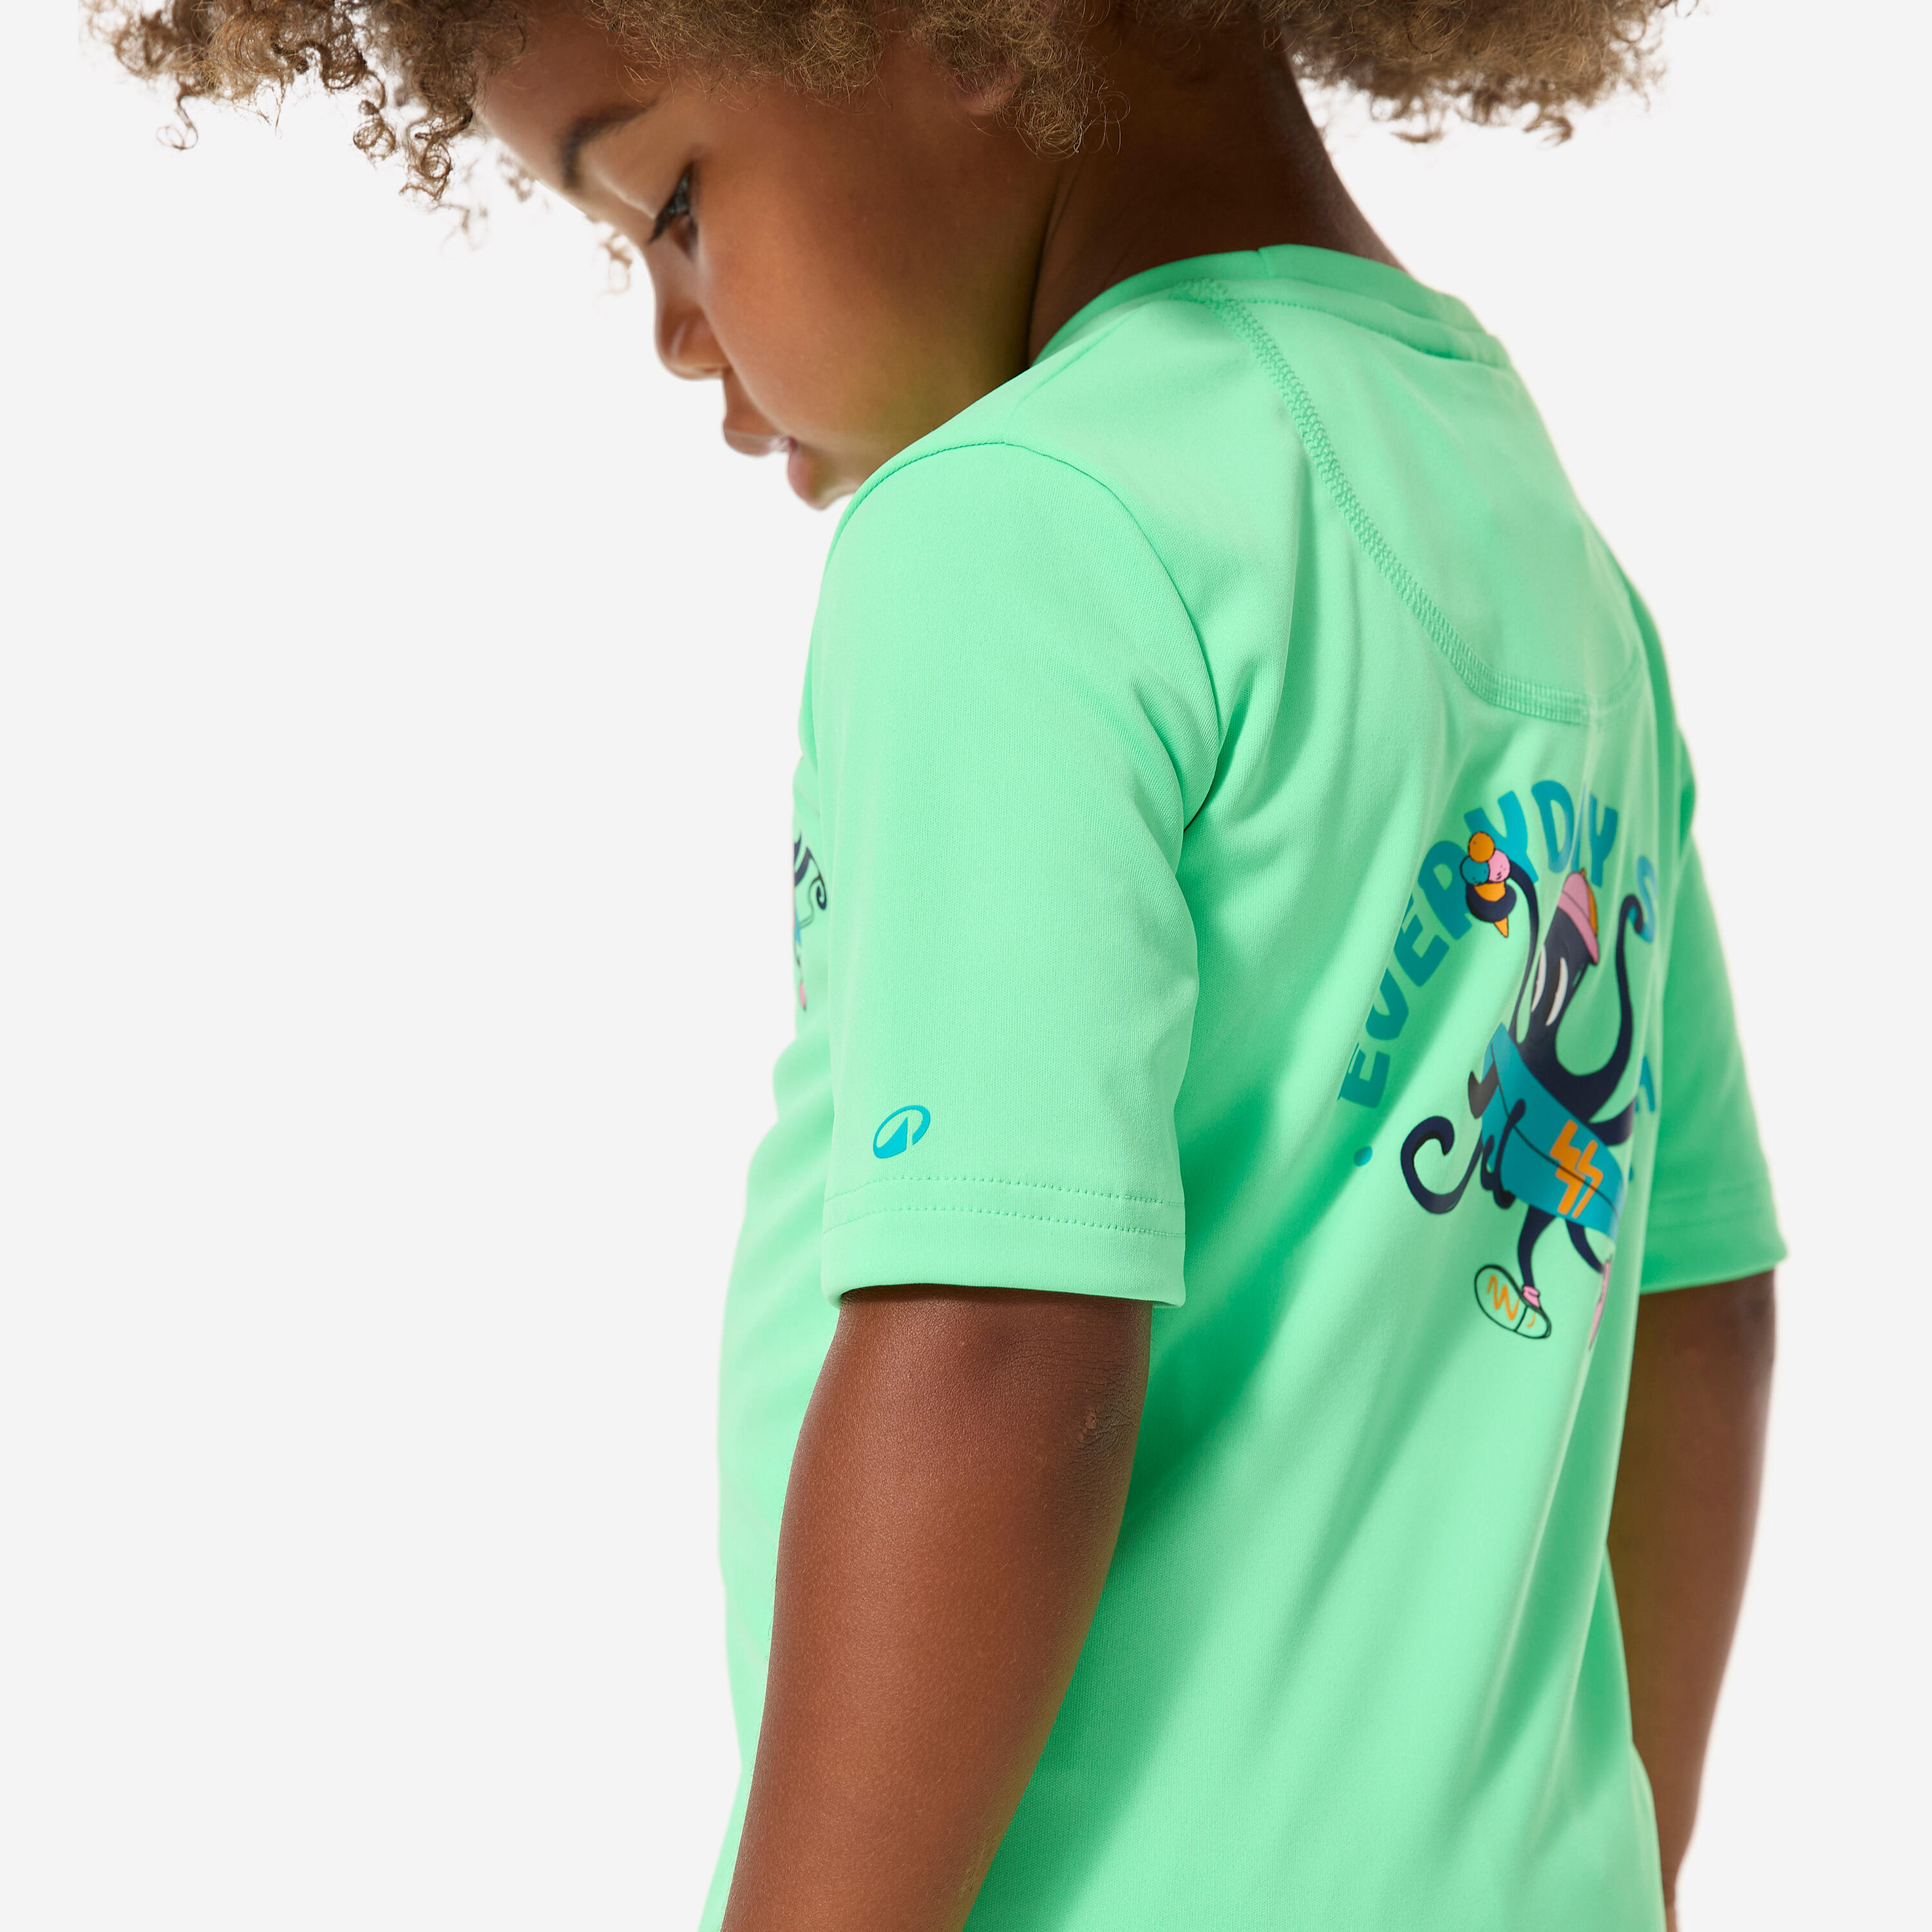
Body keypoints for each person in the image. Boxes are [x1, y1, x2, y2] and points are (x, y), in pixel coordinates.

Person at [92, 2, 1784, 1926]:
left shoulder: (1017, 525)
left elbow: (994, 1343)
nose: (675, 335)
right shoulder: (1524, 513)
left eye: (670, 203)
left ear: (969, 26)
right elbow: (1692, 1298)